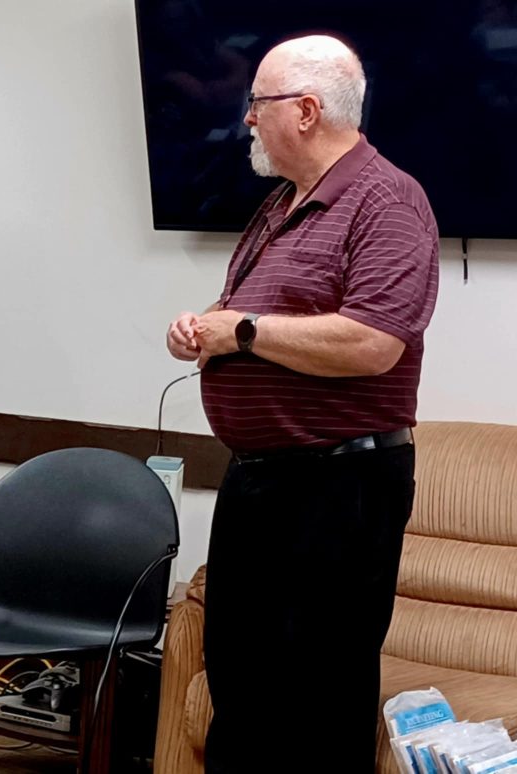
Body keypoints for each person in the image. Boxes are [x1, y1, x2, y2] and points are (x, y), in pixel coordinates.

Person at [166, 36, 438, 772]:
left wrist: (244, 332)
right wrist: (206, 327)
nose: (247, 119)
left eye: (258, 103)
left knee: (316, 704)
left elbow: (373, 342)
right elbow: (250, 312)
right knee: (243, 690)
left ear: (308, 111)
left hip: (339, 488)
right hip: (261, 479)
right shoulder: (280, 205)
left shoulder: (388, 199)